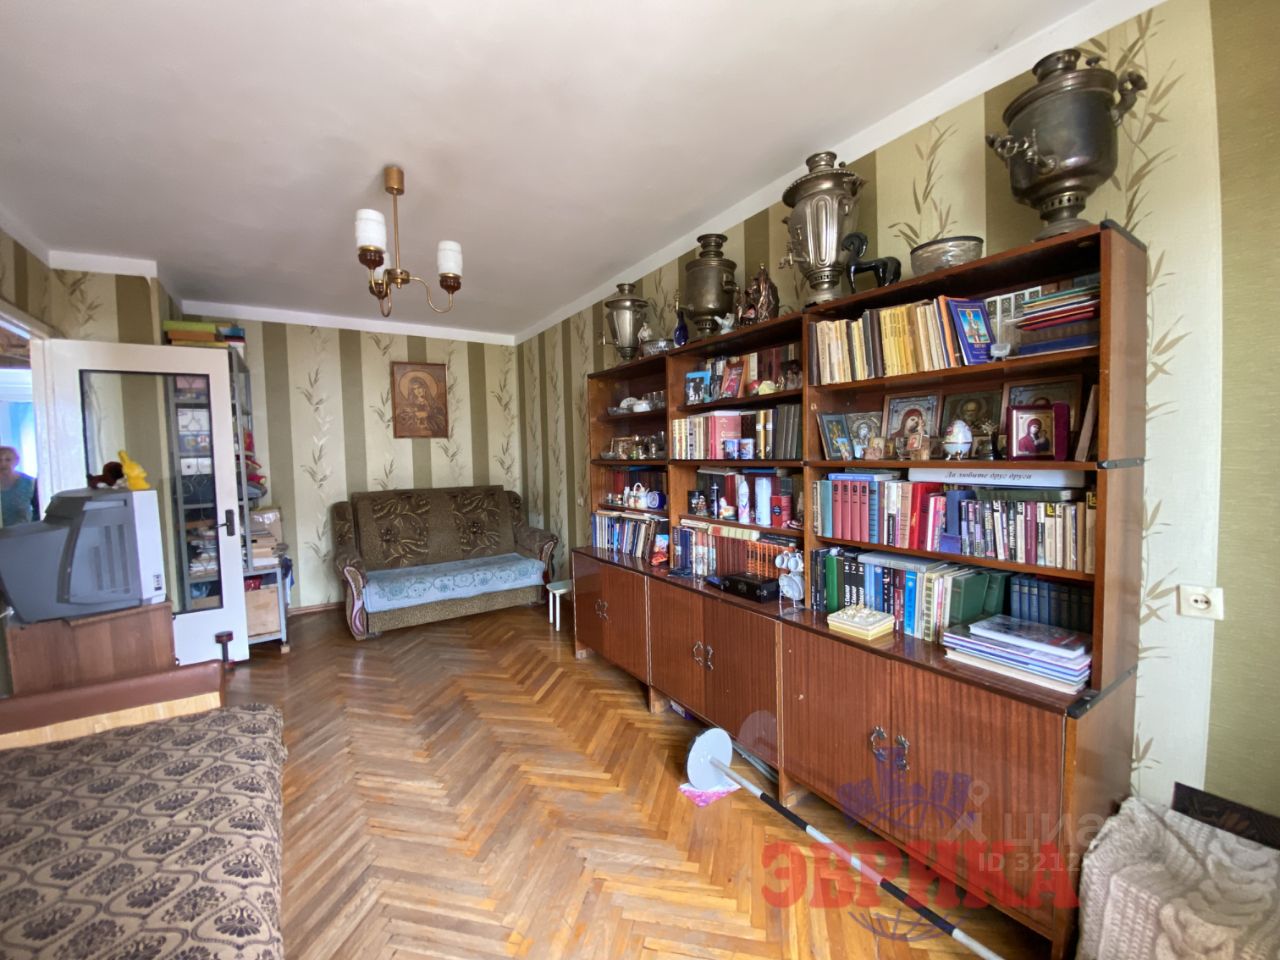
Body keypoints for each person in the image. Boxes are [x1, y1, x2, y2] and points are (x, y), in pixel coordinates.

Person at [0, 446, 38, 527]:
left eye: (8, 460)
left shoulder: (30, 483)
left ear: (16, 461)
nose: (3, 464)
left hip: (23, 532)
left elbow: (38, 512)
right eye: (0, 460)